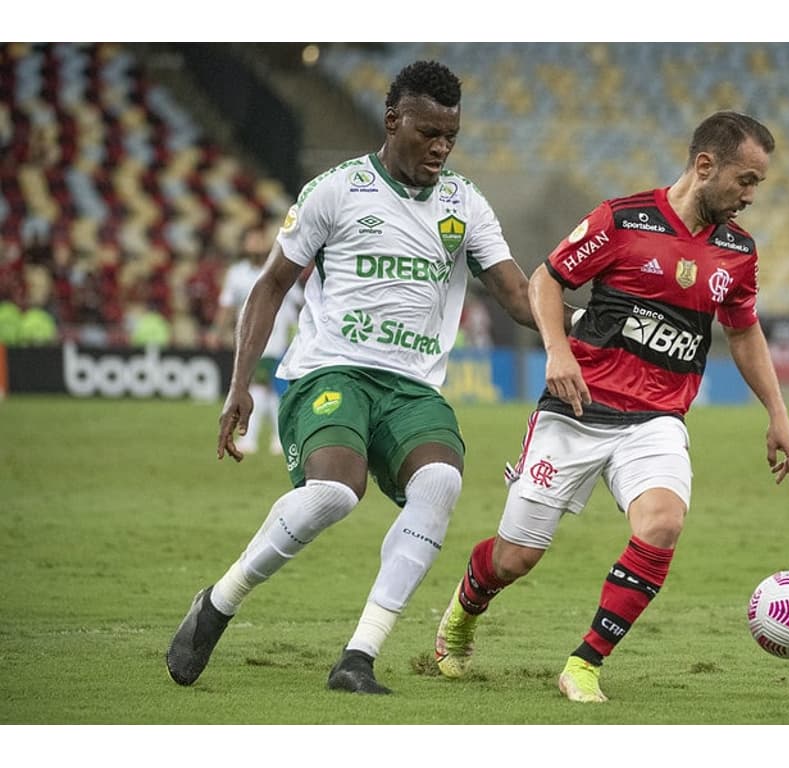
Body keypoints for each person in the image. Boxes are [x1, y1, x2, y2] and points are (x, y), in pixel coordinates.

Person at [166, 60, 576, 694]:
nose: (441, 147)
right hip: (330, 373)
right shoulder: (335, 189)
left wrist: (581, 327)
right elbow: (271, 284)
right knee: (336, 492)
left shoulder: (464, 204)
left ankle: (358, 657)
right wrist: (238, 386)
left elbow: (518, 296)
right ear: (393, 121)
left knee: (440, 480)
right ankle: (220, 600)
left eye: (451, 136)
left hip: (412, 387)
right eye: (428, 133)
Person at [434, 111, 789, 703]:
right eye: (747, 179)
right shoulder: (622, 220)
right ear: (705, 166)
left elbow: (743, 331)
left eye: (758, 183)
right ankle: (461, 615)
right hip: (576, 409)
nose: (751, 196)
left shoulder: (738, 251)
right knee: (515, 557)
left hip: (656, 420)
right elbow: (547, 279)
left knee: (663, 523)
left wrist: (778, 414)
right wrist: (558, 352)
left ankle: (584, 663)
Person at [209, 223, 304, 455]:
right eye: (252, 240)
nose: (257, 245)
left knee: (264, 386)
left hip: (277, 338)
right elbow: (228, 306)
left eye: (260, 239)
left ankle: (255, 439)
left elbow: (300, 302)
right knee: (268, 388)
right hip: (249, 338)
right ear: (243, 245)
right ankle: (276, 439)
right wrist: (216, 331)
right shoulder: (237, 274)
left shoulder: (278, 270)